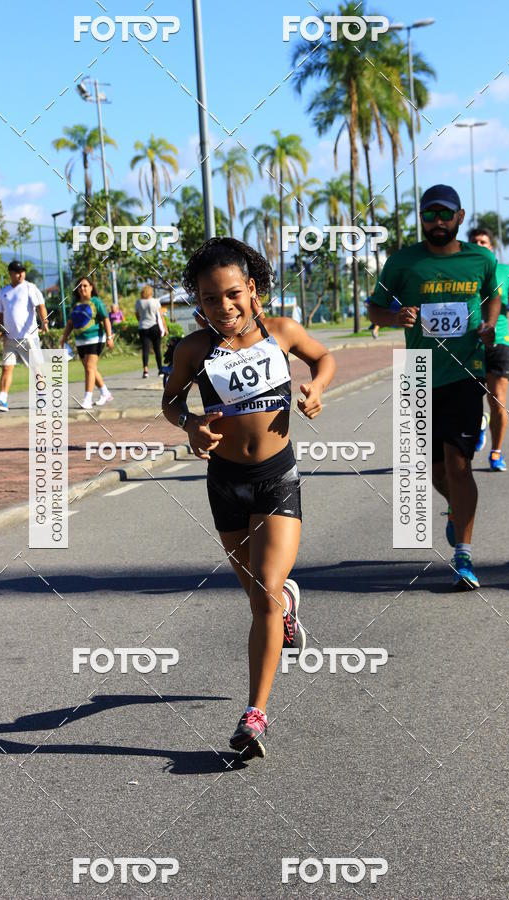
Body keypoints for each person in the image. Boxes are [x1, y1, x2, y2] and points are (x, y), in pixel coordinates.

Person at [162, 237, 336, 759]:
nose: (223, 307)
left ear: (252, 288)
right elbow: (170, 401)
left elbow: (323, 357)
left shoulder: (279, 332)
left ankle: (254, 714)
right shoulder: (193, 349)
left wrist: (317, 388)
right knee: (258, 595)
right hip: (224, 482)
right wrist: (190, 424)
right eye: (210, 299)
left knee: (263, 590)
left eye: (232, 294)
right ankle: (286, 607)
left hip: (276, 476)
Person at [369, 185, 500, 591]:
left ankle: (463, 554)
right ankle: (452, 509)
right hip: (417, 372)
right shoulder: (403, 262)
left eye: (445, 215)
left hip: (465, 372)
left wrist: (490, 325)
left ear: (459, 217)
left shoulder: (481, 258)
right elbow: (375, 307)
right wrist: (395, 319)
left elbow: (492, 295)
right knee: (431, 469)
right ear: (421, 218)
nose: (438, 222)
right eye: (430, 215)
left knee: (458, 465)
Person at [469, 227, 509, 471]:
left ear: (491, 246)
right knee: (468, 402)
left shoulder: (506, 271)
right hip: (469, 345)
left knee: (497, 401)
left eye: (484, 241)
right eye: (475, 241)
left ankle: (496, 453)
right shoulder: (462, 272)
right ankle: (479, 423)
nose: (480, 244)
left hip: (499, 343)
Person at [0, 261, 49, 412]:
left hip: (28, 337)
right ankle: (2, 400)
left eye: (22, 271)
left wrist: (44, 321)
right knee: (6, 368)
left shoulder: (29, 288)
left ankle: (42, 397)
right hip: (10, 338)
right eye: (17, 272)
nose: (20, 274)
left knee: (35, 368)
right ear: (10, 273)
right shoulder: (3, 292)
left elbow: (40, 306)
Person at [60, 277, 113, 410]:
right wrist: (64, 337)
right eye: (80, 286)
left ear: (91, 287)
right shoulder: (76, 304)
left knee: (89, 367)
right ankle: (105, 392)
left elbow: (106, 319)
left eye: (85, 286)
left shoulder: (96, 302)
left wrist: (109, 337)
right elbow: (71, 322)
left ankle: (87, 399)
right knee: (91, 369)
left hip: (95, 338)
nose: (82, 288)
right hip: (80, 340)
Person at [135, 285, 167, 378]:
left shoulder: (138, 302)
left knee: (145, 350)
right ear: (150, 292)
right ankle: (160, 370)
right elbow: (160, 316)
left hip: (143, 328)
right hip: (154, 327)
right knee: (157, 349)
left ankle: (145, 371)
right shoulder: (155, 301)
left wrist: (141, 321)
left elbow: (137, 315)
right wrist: (165, 328)